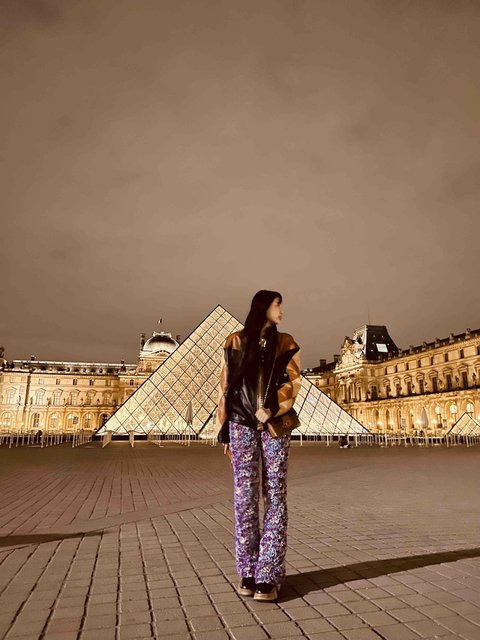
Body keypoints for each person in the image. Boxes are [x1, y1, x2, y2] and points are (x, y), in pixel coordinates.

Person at [215, 290, 301, 602]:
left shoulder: (286, 342)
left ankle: (268, 572)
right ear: (263, 307)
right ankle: (248, 570)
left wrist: (273, 407)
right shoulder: (234, 341)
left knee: (275, 495)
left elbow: (293, 382)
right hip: (240, 424)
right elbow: (225, 387)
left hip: (274, 426)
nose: (282, 311)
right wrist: (223, 430)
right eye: (278, 305)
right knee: (244, 499)